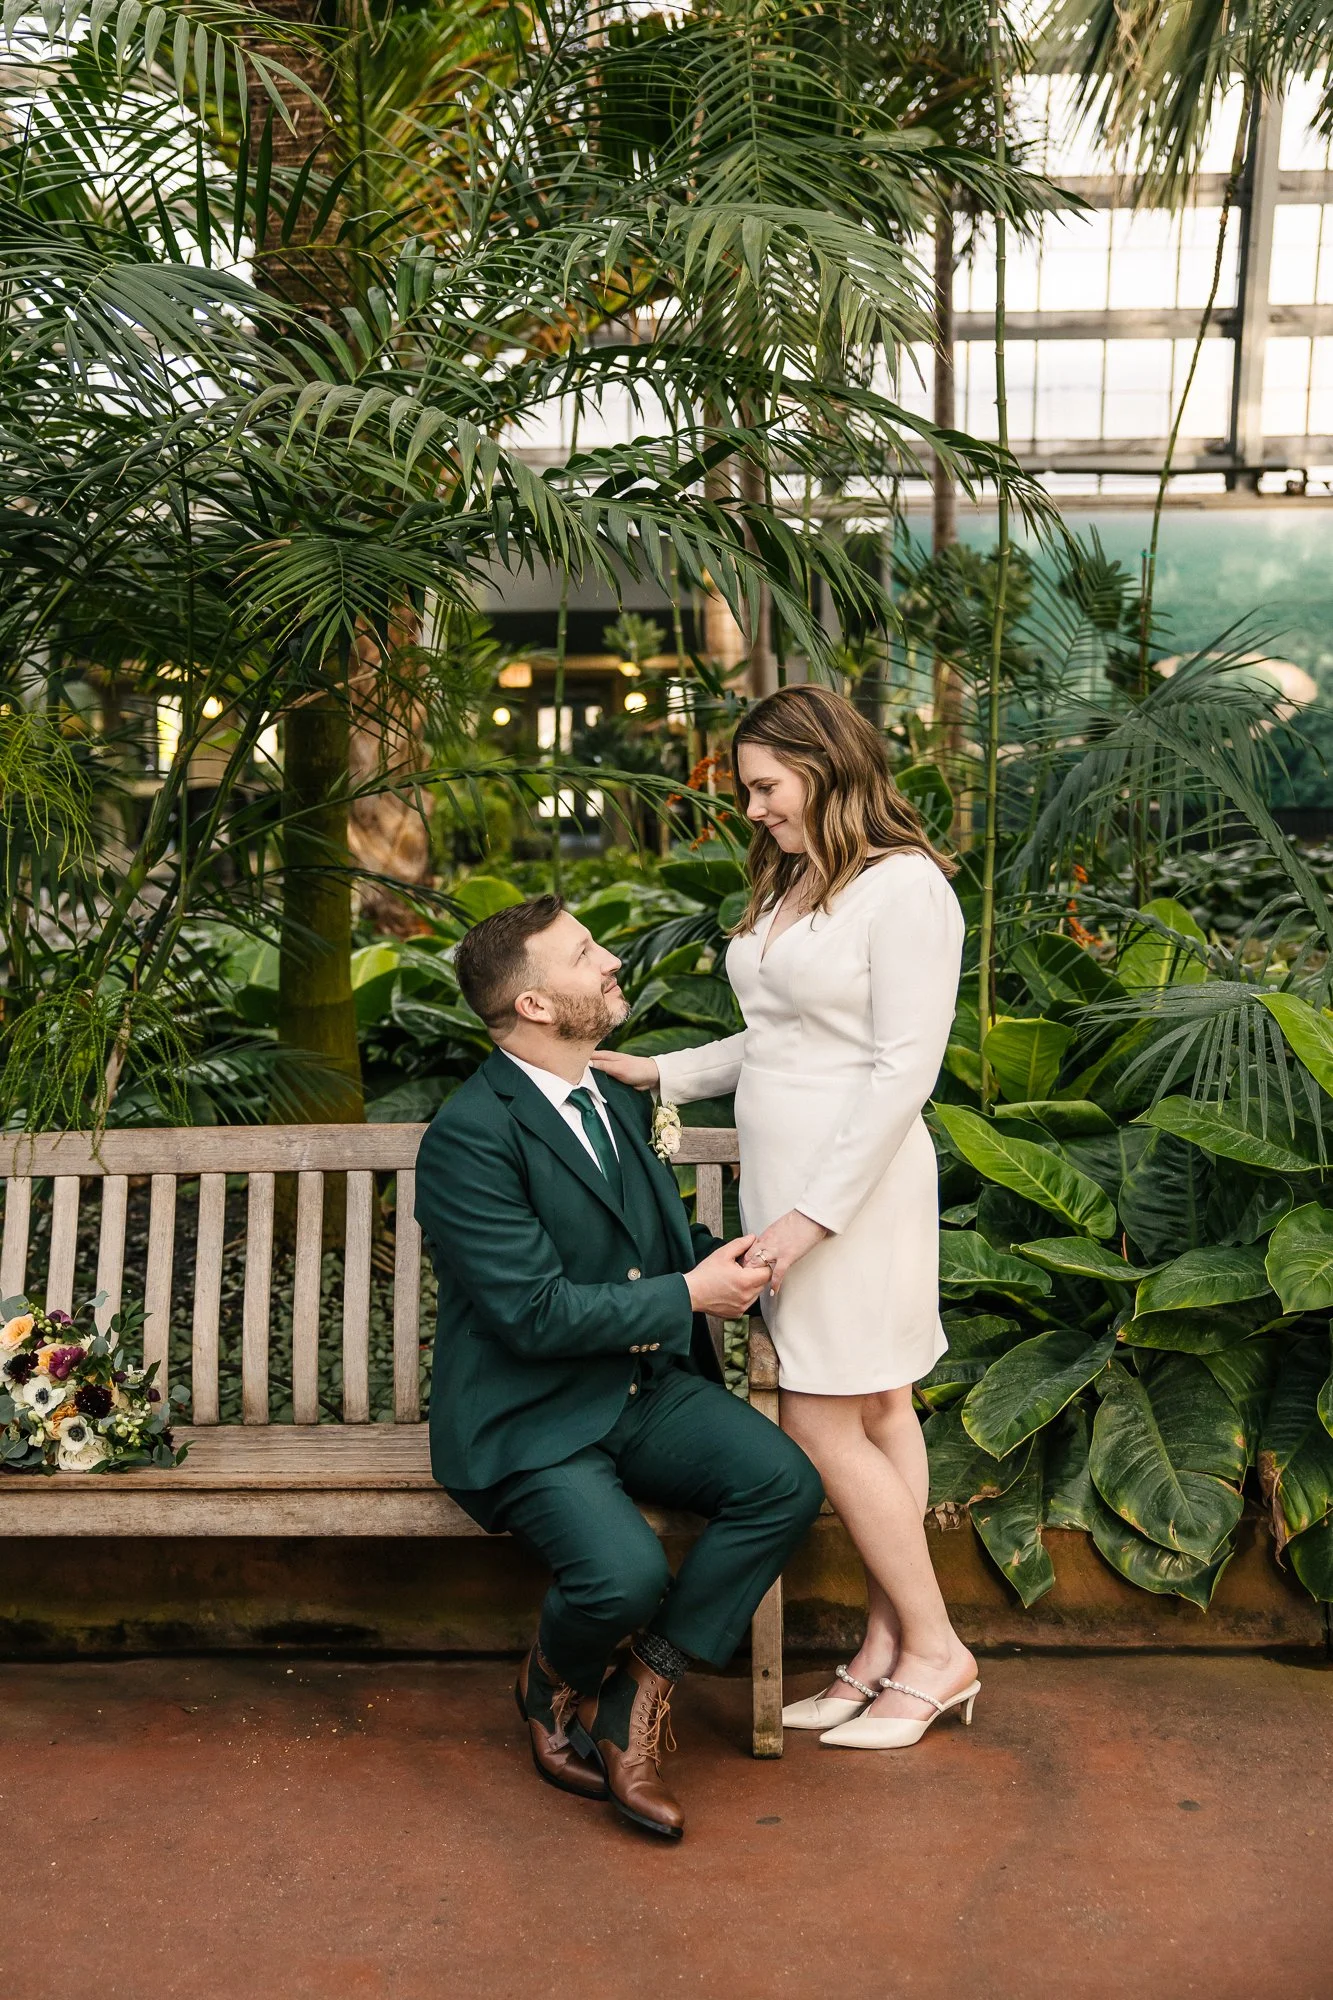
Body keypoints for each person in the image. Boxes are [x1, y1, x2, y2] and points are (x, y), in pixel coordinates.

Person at [595, 684, 978, 1751]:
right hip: (794, 1185)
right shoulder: (799, 879)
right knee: (881, 1410)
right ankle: (883, 1653)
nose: (753, 807)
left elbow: (902, 1070)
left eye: (765, 786)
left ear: (824, 765)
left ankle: (939, 1652)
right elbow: (775, 1039)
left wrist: (808, 1221)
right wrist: (658, 1068)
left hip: (851, 1195)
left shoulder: (904, 890)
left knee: (818, 1418)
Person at [414, 897, 824, 1839]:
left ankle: (639, 1689)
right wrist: (688, 1295)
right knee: (623, 1576)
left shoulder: (613, 1097)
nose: (608, 961)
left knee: (780, 1484)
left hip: (638, 1387)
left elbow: (659, 1247)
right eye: (582, 954)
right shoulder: (472, 1135)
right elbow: (530, 1312)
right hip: (530, 1412)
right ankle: (547, 1684)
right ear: (536, 1009)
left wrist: (754, 1258)